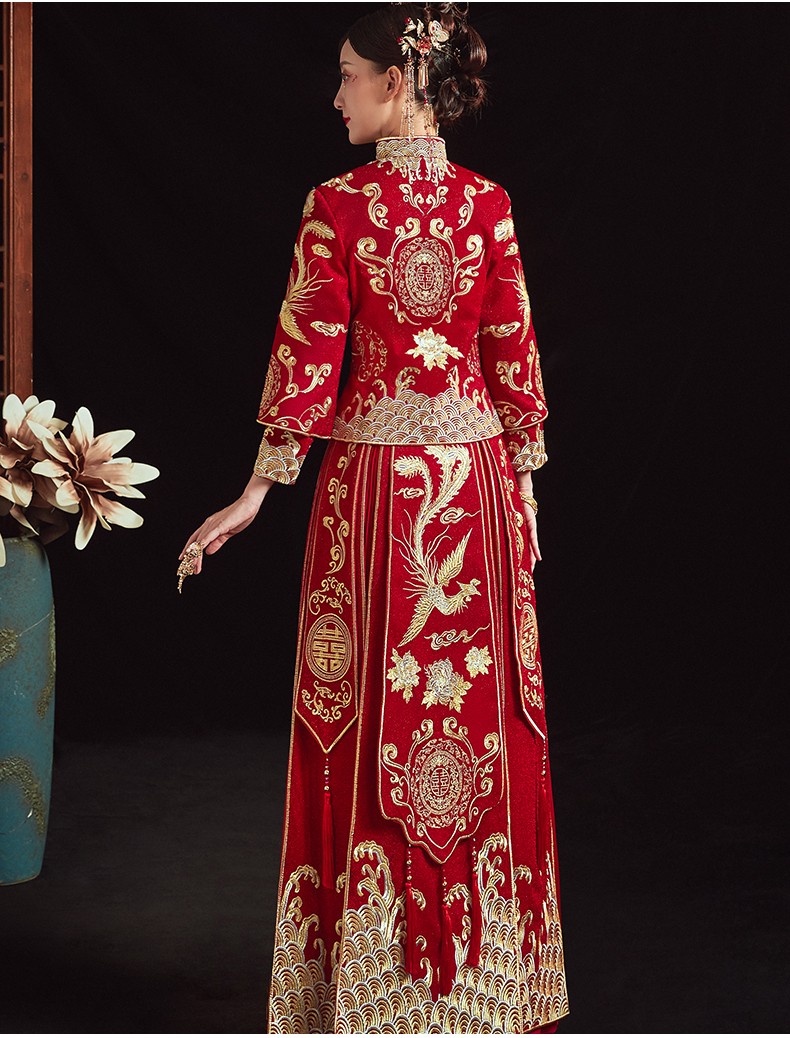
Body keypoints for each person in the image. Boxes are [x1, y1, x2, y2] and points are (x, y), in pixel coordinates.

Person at [179, 3, 569, 1032]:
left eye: (349, 75)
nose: (336, 95)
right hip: (476, 491)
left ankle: (383, 988)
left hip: (375, 498)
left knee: (370, 723)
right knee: (457, 718)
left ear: (398, 82)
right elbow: (513, 360)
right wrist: (523, 488)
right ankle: (472, 981)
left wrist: (262, 486)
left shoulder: (339, 208)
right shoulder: (487, 204)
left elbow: (310, 352)